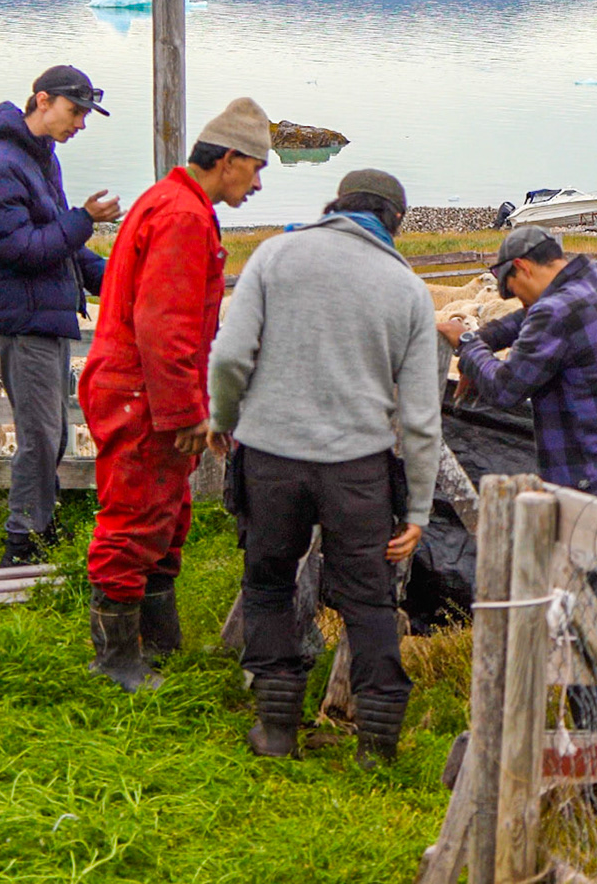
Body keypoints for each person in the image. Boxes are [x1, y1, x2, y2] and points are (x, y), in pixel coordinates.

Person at [208, 169, 441, 763]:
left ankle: (276, 728)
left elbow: (230, 356)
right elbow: (420, 417)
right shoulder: (407, 287)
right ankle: (377, 745)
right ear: (395, 221)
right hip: (357, 468)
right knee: (368, 600)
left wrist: (223, 418)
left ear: (335, 204)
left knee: (267, 583)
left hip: (270, 457)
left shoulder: (274, 256)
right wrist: (417, 508)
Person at [437, 226, 597, 729]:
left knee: (589, 613)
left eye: (514, 289)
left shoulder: (555, 312)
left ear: (522, 268)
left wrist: (466, 345)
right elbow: (532, 319)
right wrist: (488, 336)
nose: (517, 301)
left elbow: (506, 389)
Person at [77, 98, 268, 692]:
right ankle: (115, 662)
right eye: (256, 168)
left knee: (165, 512)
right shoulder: (183, 215)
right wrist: (186, 413)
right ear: (229, 159)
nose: (257, 184)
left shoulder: (170, 201)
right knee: (135, 516)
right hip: (143, 390)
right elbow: (166, 327)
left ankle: (158, 645)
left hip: (139, 385)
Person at [0, 65, 122, 567]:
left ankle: (40, 529)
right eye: (75, 112)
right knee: (40, 437)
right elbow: (25, 250)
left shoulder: (39, 158)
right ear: (44, 100)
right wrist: (85, 220)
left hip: (45, 316)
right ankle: (21, 544)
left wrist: (119, 278)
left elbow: (59, 244)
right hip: (24, 319)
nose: (80, 124)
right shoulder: (0, 166)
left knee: (52, 434)